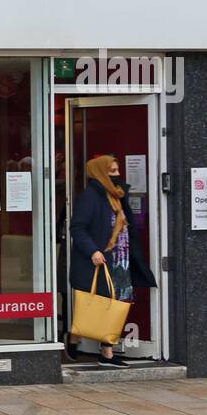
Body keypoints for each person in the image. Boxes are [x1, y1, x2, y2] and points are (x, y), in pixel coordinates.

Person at [67, 154, 156, 366]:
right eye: (112, 171)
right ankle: (92, 345)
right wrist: (93, 251)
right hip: (101, 260)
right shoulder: (90, 197)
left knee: (118, 304)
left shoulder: (116, 195)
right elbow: (77, 227)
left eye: (117, 170)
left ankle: (102, 348)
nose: (118, 175)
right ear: (100, 173)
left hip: (121, 260)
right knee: (104, 303)